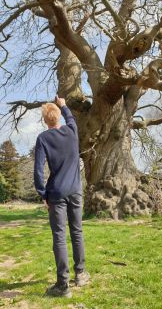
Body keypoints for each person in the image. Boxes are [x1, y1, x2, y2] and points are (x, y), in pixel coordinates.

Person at [34, 97, 90, 298]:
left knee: (59, 236)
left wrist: (43, 194)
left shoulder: (42, 138)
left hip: (56, 193)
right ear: (58, 117)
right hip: (75, 190)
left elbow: (38, 171)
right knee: (77, 231)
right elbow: (71, 117)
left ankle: (62, 285)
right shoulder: (71, 130)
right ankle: (81, 274)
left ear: (44, 121)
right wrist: (63, 104)